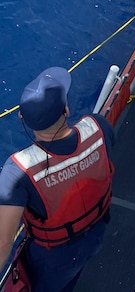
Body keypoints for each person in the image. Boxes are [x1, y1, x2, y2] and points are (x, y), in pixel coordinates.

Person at [0, 67, 114, 292]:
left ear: (23, 118)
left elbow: (3, 242)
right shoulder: (98, 125)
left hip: (52, 258)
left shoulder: (18, 170)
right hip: (96, 233)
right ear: (66, 109)